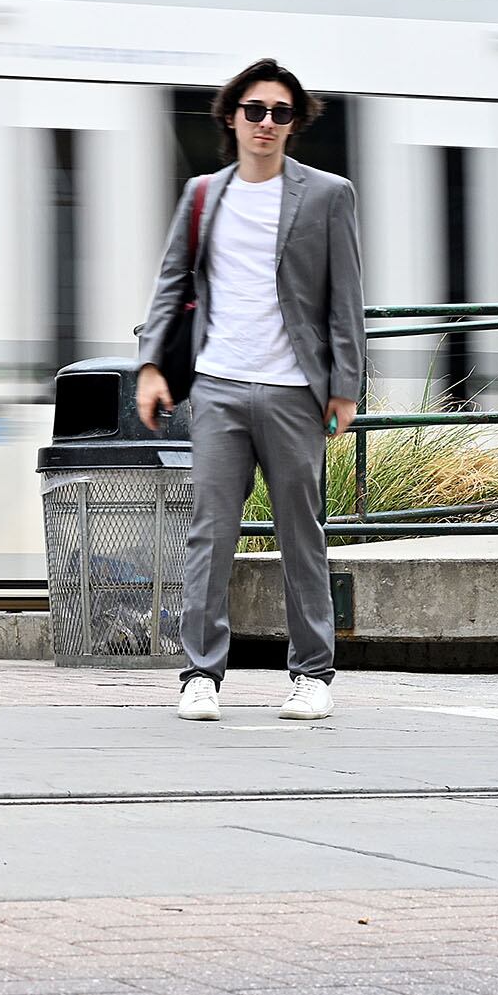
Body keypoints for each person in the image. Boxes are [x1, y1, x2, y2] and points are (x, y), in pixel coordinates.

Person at [134, 60, 363, 723]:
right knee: (210, 534)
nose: (267, 123)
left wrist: (345, 385)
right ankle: (200, 674)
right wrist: (152, 364)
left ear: (295, 123)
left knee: (302, 535)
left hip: (294, 390)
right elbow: (172, 282)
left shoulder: (327, 195)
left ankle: (313, 674)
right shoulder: (204, 195)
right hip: (219, 388)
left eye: (281, 112)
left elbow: (344, 297)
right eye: (255, 110)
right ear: (231, 117)